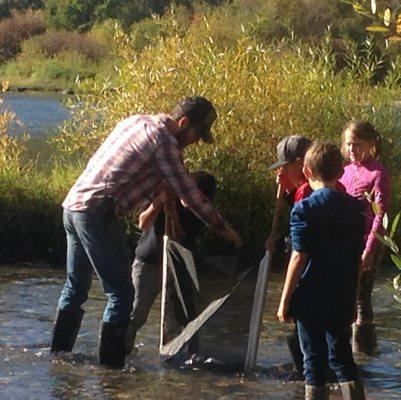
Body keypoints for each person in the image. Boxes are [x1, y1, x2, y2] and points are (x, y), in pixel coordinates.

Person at [51, 96, 242, 368]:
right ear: (184, 123)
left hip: (73, 207)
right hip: (97, 213)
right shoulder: (165, 143)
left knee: (76, 287)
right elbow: (189, 195)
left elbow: (135, 174)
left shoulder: (135, 121)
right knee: (121, 295)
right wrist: (224, 229)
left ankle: (57, 358)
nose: (197, 141)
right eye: (198, 134)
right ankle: (111, 372)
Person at [277, 142, 366, 400]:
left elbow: (298, 257)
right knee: (342, 358)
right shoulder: (355, 208)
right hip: (342, 292)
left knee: (313, 361)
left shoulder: (304, 208)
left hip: (311, 296)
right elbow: (357, 260)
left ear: (306, 172)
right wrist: (353, 297)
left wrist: (285, 300)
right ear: (341, 173)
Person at [126, 171, 217, 356]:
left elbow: (178, 238)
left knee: (178, 318)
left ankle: (175, 358)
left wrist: (173, 213)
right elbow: (143, 223)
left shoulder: (198, 211)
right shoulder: (160, 191)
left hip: (176, 266)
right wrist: (159, 202)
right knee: (136, 315)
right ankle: (121, 351)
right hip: (148, 262)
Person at [339, 121, 391, 355]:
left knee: (362, 296)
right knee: (345, 293)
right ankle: (347, 348)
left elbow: (381, 214)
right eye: (349, 144)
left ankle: (365, 351)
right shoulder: (345, 171)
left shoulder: (378, 173)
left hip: (369, 240)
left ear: (371, 145)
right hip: (347, 240)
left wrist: (369, 249)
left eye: (357, 145)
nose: (352, 150)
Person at [265, 135, 312, 379]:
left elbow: (301, 244)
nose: (282, 171)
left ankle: (306, 380)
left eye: (285, 166)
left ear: (299, 163)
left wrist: (286, 297)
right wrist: (286, 192)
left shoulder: (306, 192)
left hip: (308, 273)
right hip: (321, 274)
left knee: (301, 335)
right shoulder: (306, 189)